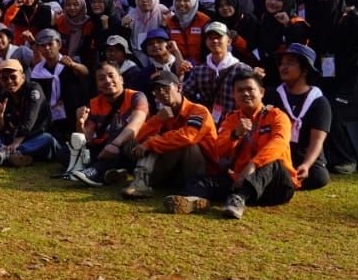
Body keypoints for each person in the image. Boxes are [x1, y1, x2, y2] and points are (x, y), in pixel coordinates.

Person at [171, 68, 297, 218]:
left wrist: (253, 165)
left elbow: (279, 143)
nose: (245, 93)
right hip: (241, 179)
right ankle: (193, 200)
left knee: (273, 163)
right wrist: (235, 135)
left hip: (276, 186)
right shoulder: (231, 119)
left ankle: (239, 199)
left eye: (250, 89)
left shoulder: (277, 116)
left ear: (262, 92)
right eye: (240, 90)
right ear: (234, 95)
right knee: (199, 180)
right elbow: (219, 150)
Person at [309, 0, 358, 173]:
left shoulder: (351, 19)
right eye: (321, 0)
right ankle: (333, 158)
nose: (326, 3)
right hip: (332, 76)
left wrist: (357, 17)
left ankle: (349, 159)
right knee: (323, 107)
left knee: (337, 111)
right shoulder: (319, 22)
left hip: (356, 78)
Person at [119, 71, 216, 200]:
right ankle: (141, 181)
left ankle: (193, 189)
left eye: (165, 87)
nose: (161, 93)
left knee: (186, 145)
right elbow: (138, 138)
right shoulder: (164, 114)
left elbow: (188, 136)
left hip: (203, 172)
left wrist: (151, 143)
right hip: (175, 171)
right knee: (150, 140)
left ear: (179, 87)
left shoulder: (198, 111)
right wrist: (157, 120)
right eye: (157, 90)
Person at [69, 63, 149, 187]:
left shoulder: (136, 97)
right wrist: (80, 123)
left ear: (121, 79)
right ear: (97, 85)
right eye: (101, 79)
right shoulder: (94, 103)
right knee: (65, 152)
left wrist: (114, 144)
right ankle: (115, 172)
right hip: (106, 146)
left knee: (126, 143)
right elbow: (87, 139)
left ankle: (96, 172)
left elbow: (135, 125)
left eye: (111, 76)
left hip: (131, 145)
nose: (107, 81)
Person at [266, 43, 332, 190]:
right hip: (278, 153)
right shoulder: (272, 95)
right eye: (282, 63)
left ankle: (280, 179)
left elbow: (317, 140)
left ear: (304, 70)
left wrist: (306, 165)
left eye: (290, 63)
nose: (283, 67)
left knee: (319, 177)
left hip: (303, 155)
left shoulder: (319, 102)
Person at [0, 59, 55, 167]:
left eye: (13, 77)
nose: (9, 81)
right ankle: (14, 156)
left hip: (34, 136)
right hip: (13, 140)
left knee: (48, 139)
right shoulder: (4, 96)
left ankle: (5, 153)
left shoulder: (34, 90)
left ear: (23, 77)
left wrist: (16, 142)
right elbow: (4, 131)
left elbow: (29, 119)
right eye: (4, 78)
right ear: (0, 81)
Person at [181, 22, 250, 127]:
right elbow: (184, 95)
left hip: (235, 126)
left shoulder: (242, 69)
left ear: (229, 41)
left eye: (219, 37)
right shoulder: (199, 70)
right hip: (207, 125)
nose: (215, 41)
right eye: (210, 38)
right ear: (206, 42)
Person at [164, 0, 210, 64]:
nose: (181, 3)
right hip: (177, 66)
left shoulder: (204, 21)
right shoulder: (170, 22)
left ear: (193, 2)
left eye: (186, 0)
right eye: (178, 0)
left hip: (201, 67)